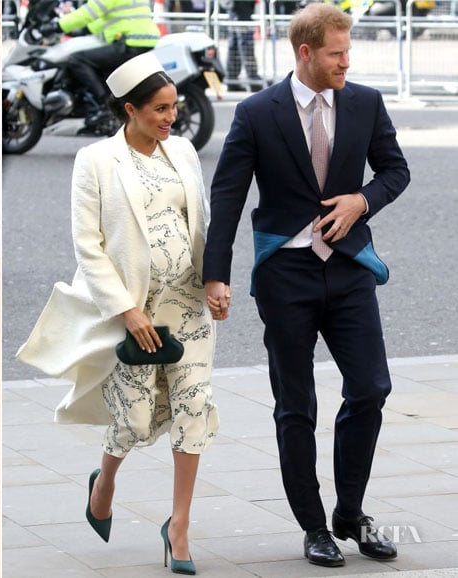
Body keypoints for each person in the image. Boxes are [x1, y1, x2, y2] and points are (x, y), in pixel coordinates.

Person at [203, 3, 409, 568]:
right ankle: (314, 526)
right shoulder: (256, 112)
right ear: (305, 53)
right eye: (337, 53)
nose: (348, 61)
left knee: (371, 387)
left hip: (348, 271)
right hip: (285, 275)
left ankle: (350, 511)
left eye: (349, 51)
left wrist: (362, 200)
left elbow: (396, 169)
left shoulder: (365, 102)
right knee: (296, 406)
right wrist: (214, 273)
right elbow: (227, 196)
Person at [17, 51, 223, 575]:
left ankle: (178, 527)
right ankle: (104, 480)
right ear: (129, 109)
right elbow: (88, 244)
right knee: (131, 419)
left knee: (193, 407)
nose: (171, 118)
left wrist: (216, 280)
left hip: (188, 303)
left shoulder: (183, 153)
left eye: (174, 107)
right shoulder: (96, 161)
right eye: (159, 109)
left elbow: (203, 223)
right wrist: (127, 310)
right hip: (136, 311)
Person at [39, 0, 161, 128]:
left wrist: (58, 26)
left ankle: (104, 105)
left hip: (129, 43)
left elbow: (88, 12)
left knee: (77, 60)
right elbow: (109, 17)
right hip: (146, 41)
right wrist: (86, 29)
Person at [224, 0, 263, 92]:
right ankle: (252, 79)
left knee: (235, 45)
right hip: (241, 8)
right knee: (245, 45)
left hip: (235, 9)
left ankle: (232, 79)